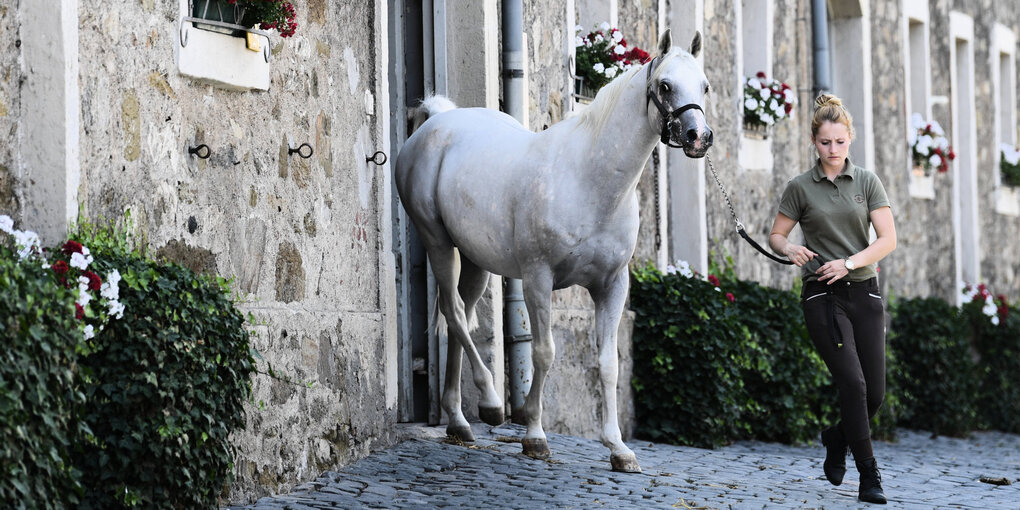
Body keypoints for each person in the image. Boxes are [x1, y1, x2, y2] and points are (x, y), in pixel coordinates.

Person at [768, 93, 897, 505]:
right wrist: (789, 249)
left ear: (850, 138)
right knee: (853, 382)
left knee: (873, 393)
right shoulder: (800, 187)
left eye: (840, 142)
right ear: (814, 141)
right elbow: (777, 234)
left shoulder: (867, 182)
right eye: (825, 142)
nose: (833, 150)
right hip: (822, 294)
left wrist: (850, 261)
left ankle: (837, 437)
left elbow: (888, 239)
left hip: (864, 289)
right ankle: (869, 475)